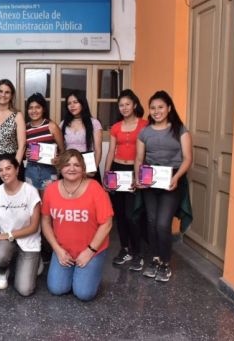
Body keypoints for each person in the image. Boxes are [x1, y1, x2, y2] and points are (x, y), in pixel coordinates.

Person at [135, 90, 192, 282]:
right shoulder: (145, 132)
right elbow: (139, 158)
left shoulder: (180, 130)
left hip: (171, 181)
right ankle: (155, 259)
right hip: (150, 181)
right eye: (152, 108)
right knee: (151, 222)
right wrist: (138, 177)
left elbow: (187, 159)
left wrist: (176, 178)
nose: (156, 111)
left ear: (168, 108)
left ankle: (165, 262)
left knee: (162, 223)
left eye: (160, 107)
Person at [41, 149, 113, 301]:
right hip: (63, 249)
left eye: (76, 165)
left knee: (84, 293)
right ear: (60, 168)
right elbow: (45, 221)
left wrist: (89, 251)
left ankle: (90, 270)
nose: (71, 168)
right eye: (67, 164)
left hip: (92, 248)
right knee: (57, 288)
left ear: (83, 169)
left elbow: (106, 224)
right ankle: (75, 269)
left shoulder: (95, 189)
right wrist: (58, 250)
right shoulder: (51, 190)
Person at [103, 89, 148, 270]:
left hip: (134, 171)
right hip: (117, 170)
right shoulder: (115, 127)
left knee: (133, 215)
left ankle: (138, 253)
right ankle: (125, 249)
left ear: (134, 105)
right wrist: (107, 174)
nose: (124, 108)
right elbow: (111, 152)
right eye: (121, 105)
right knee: (120, 215)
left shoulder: (145, 125)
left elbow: (147, 153)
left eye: (127, 104)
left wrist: (141, 176)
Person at [0, 155, 41, 296]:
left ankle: (34, 262)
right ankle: (4, 269)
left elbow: (34, 227)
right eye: (0, 170)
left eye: (8, 168)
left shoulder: (30, 191)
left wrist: (8, 234)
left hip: (28, 242)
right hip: (7, 243)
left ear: (17, 169)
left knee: (25, 290)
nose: (4, 173)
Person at [24, 92, 64, 194]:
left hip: (49, 170)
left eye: (37, 107)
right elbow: (22, 152)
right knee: (33, 205)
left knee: (48, 205)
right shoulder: (25, 128)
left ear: (43, 109)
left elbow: (63, 151)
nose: (34, 111)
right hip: (31, 170)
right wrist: (26, 154)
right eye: (30, 108)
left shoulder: (52, 126)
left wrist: (58, 159)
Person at [60, 90, 103, 183]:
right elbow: (60, 148)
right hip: (68, 161)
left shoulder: (94, 123)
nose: (72, 106)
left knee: (87, 193)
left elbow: (98, 149)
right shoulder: (63, 124)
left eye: (75, 102)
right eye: (69, 103)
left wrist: (94, 167)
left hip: (87, 162)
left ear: (82, 103)